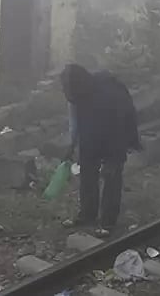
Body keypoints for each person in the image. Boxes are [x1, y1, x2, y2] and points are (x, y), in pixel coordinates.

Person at [61, 62, 140, 236]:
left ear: (81, 84)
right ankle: (87, 215)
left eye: (72, 93)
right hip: (92, 137)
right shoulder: (76, 93)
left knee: (111, 177)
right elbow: (75, 122)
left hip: (116, 135)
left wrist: (115, 158)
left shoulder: (109, 93)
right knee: (87, 173)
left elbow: (121, 125)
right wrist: (71, 145)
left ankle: (108, 222)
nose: (70, 97)